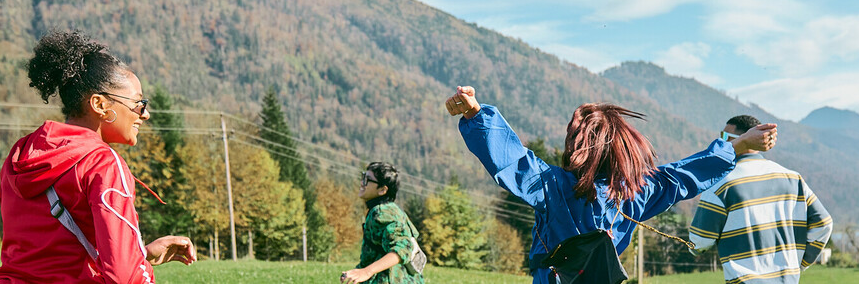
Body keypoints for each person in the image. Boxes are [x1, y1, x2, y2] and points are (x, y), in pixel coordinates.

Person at [444, 86, 776, 284]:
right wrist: (738, 145)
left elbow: (512, 161)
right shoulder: (637, 192)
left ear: (575, 144)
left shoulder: (551, 186)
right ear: (624, 149)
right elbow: (683, 175)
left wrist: (477, 114)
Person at [0, 31, 196, 284]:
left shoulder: (20, 154)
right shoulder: (104, 164)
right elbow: (124, 277)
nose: (145, 114)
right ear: (100, 105)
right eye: (138, 103)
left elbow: (47, 254)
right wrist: (134, 266)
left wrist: (140, 255)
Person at [688, 115, 832, 284]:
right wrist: (799, 264)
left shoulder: (720, 184)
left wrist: (694, 247)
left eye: (725, 136)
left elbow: (699, 242)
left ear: (746, 138)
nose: (721, 142)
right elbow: (824, 224)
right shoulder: (794, 179)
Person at [340, 162, 425, 284]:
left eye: (367, 180)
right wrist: (360, 270)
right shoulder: (392, 209)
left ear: (382, 190)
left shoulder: (382, 212)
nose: (362, 183)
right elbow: (376, 252)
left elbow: (403, 247)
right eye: (363, 177)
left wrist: (367, 272)